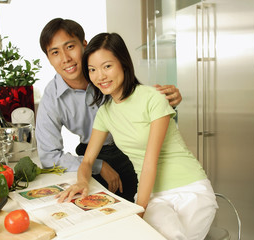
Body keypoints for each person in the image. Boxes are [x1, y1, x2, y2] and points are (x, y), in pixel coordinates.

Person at [55, 32, 218, 240]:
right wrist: (82, 182)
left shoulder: (153, 98)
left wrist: (139, 210)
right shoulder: (105, 113)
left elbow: (150, 161)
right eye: (92, 70)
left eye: (107, 66)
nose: (100, 76)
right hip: (154, 196)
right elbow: (87, 160)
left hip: (191, 190)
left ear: (123, 64)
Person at [36, 18, 182, 203]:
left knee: (145, 203)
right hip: (91, 155)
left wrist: (170, 100)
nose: (65, 58)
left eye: (70, 47)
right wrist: (99, 165)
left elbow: (140, 103)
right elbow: (49, 157)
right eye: (55, 52)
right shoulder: (51, 98)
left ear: (84, 45)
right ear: (49, 58)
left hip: (131, 149)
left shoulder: (107, 74)